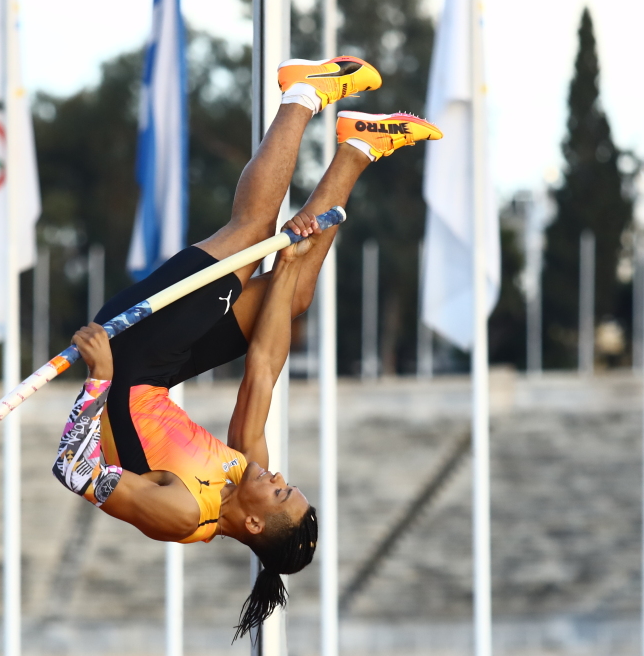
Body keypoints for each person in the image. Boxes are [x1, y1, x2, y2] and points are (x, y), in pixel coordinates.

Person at [51, 55, 443, 640]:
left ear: (255, 522)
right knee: (296, 294)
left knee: (251, 233)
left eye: (281, 490)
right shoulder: (244, 466)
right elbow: (262, 367)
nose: (277, 474)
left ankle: (301, 94)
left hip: (128, 356)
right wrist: (284, 274)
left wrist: (99, 382)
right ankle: (359, 147)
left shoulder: (183, 514)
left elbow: (73, 471)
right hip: (165, 368)